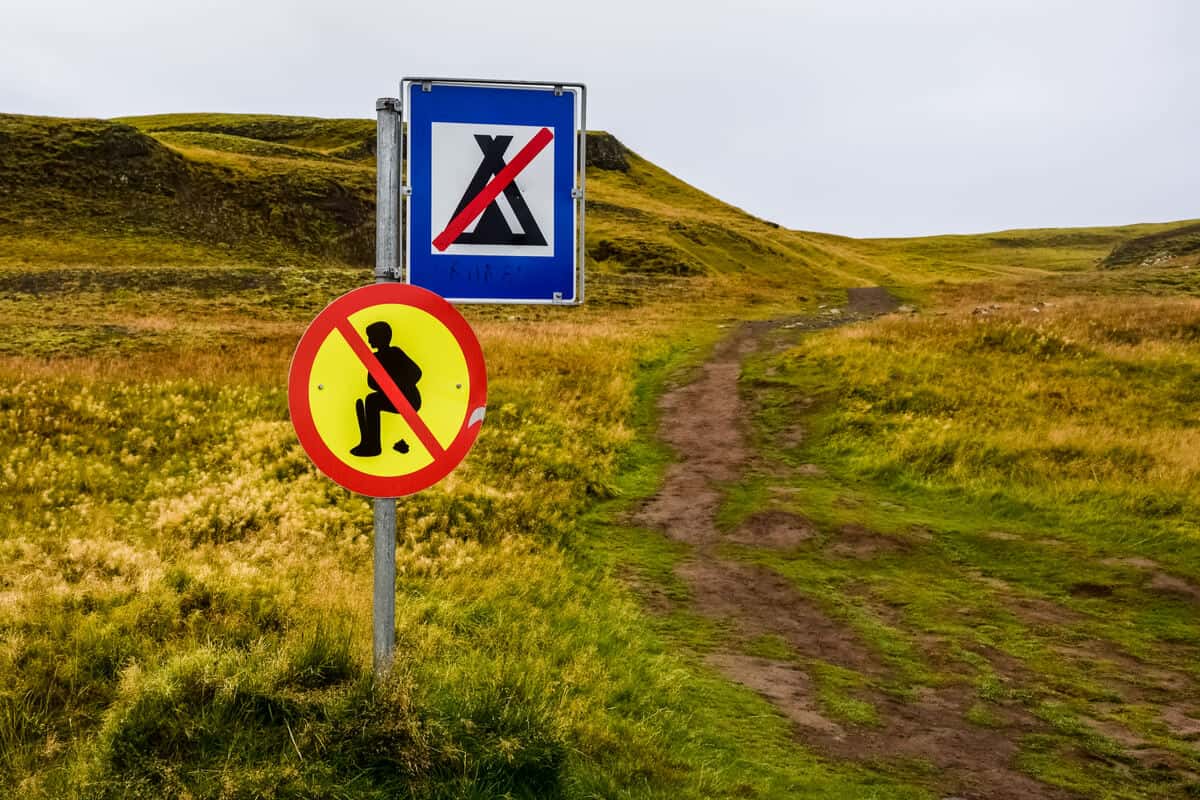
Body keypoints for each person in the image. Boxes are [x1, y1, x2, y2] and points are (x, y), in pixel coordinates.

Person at [350, 321, 422, 457]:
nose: (369, 340)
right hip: (393, 398)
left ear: (381, 337)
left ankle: (373, 445)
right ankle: (369, 442)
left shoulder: (395, 352)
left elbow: (417, 373)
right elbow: (371, 382)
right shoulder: (375, 358)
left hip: (410, 399)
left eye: (371, 336)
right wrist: (386, 387)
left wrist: (398, 385)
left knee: (372, 401)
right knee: (371, 400)